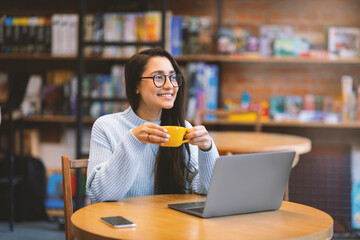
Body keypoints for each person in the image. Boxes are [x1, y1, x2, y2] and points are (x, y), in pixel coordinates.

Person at [86, 47, 219, 203]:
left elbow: (206, 189)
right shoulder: (106, 126)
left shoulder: (183, 128)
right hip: (125, 225)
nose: (170, 86)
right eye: (158, 77)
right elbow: (99, 195)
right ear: (136, 85)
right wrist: (133, 140)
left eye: (173, 77)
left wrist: (207, 148)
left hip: (170, 223)